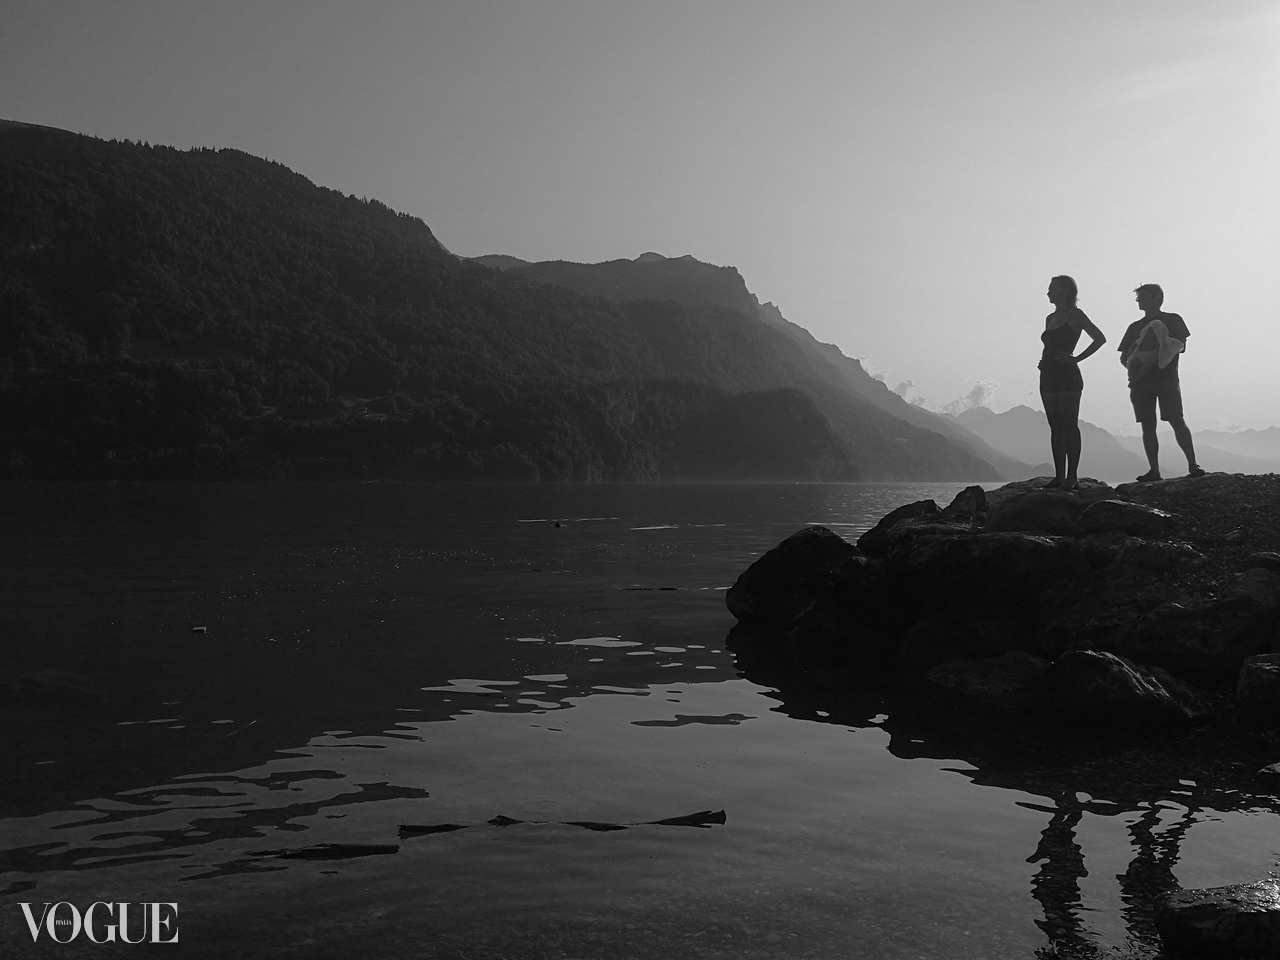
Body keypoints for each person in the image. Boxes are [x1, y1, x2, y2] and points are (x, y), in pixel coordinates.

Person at [1117, 283, 1205, 481]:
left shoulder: (1173, 320)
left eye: (1144, 296)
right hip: (1141, 382)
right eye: (1139, 297)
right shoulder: (1134, 327)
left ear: (1157, 298)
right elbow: (1125, 356)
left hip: (1165, 378)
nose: (1139, 300)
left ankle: (1193, 465)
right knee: (1148, 425)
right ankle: (1154, 470)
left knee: (1176, 419)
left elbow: (1180, 346)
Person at [1039, 275, 1107, 490]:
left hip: (1068, 375)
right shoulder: (1050, 318)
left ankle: (1072, 476)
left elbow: (1099, 338)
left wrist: (1076, 358)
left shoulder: (1075, 315)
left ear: (1066, 291)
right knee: (1055, 427)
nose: (1049, 292)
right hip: (1048, 374)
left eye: (1053, 288)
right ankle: (1059, 475)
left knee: (1069, 425)